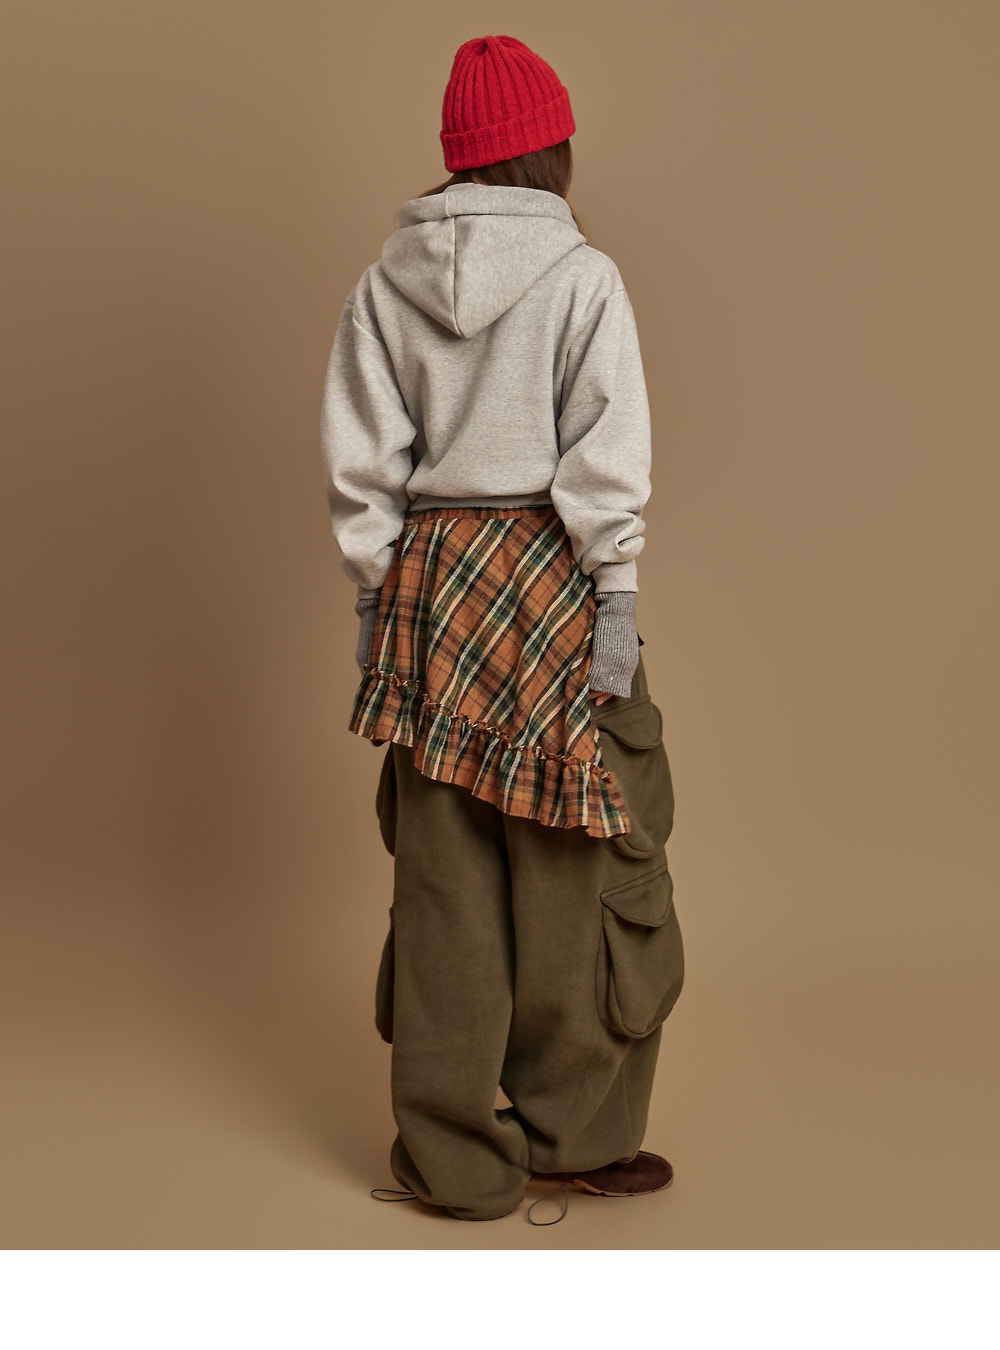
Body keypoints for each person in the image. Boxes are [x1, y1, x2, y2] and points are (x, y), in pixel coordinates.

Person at [319, 34, 684, 1226]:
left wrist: (375, 598)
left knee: (444, 882)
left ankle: (451, 1162)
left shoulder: (384, 282)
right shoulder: (582, 276)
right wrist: (615, 599)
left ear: (457, 155)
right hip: (549, 580)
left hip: (433, 588)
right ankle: (574, 1135)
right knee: (579, 871)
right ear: (552, 148)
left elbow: (362, 463)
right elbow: (606, 452)